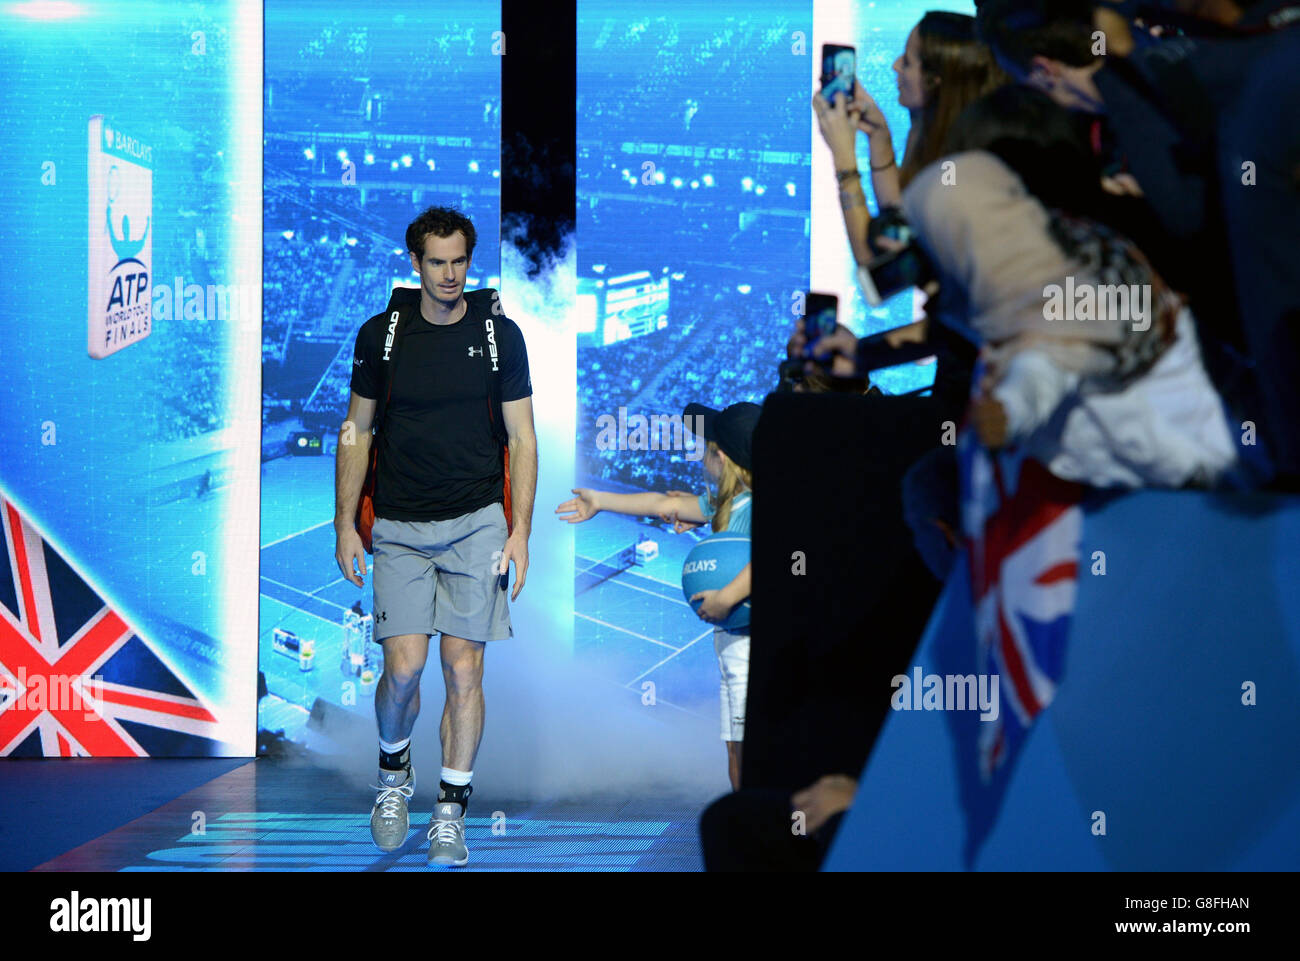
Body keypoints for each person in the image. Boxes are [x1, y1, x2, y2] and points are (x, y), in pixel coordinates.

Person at [333, 206, 537, 867]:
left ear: (468, 263)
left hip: (479, 522)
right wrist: (343, 524)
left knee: (464, 668)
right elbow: (356, 431)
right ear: (415, 263)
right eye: (437, 261)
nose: (450, 274)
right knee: (404, 670)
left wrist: (522, 532)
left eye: (460, 261)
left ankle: (451, 810)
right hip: (397, 526)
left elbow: (524, 438)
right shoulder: (381, 337)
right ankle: (394, 774)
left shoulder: (502, 336)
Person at [556, 402, 759, 790]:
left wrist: (725, 598)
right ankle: (751, 828)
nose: (700, 453)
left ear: (721, 456)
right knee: (736, 751)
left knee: (747, 754)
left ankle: (759, 833)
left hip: (747, 645)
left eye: (705, 446)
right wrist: (600, 499)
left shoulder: (756, 506)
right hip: (731, 643)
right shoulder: (724, 505)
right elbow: (662, 504)